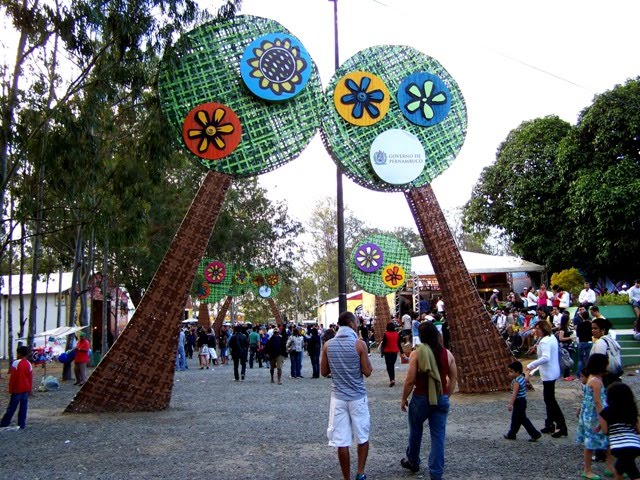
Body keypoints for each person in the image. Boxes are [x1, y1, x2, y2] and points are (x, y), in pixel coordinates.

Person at [400, 321, 458, 478]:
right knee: (438, 436)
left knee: (416, 430)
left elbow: (410, 380)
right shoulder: (448, 354)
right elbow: (453, 378)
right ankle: (436, 473)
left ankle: (413, 461)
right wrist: (446, 395)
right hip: (441, 398)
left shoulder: (417, 353)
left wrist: (404, 398)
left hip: (421, 397)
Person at [321, 311, 373, 480]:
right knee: (362, 436)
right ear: (351, 324)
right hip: (357, 396)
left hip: (338, 397)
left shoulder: (328, 345)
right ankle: (360, 473)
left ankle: (346, 478)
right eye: (356, 322)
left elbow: (323, 372)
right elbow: (367, 372)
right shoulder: (359, 345)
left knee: (341, 441)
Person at [525, 320, 567, 438]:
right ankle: (549, 424)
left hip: (548, 373)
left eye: (538, 328)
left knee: (550, 401)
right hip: (553, 371)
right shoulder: (551, 338)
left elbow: (545, 357)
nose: (536, 331)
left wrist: (530, 365)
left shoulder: (545, 341)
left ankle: (561, 425)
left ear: (543, 329)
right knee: (549, 400)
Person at [577, 354, 615, 479]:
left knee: (608, 440)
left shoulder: (592, 378)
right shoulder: (596, 381)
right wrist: (602, 418)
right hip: (594, 416)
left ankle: (610, 467)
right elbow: (597, 401)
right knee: (590, 443)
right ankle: (587, 470)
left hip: (591, 414)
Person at [599, 382, 640, 480]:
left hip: (618, 447)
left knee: (633, 473)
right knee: (619, 471)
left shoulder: (605, 412)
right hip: (634, 445)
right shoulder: (632, 410)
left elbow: (605, 431)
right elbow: (639, 430)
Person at [503, 361, 541, 442]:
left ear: (517, 372)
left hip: (518, 402)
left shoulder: (516, 382)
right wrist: (528, 371)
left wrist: (510, 404)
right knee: (517, 418)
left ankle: (535, 434)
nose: (509, 374)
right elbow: (527, 378)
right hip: (523, 401)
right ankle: (512, 434)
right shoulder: (522, 378)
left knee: (522, 419)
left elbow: (514, 394)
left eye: (511, 372)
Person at [0, 346, 33, 431]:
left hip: (17, 389)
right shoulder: (29, 364)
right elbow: (30, 378)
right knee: (23, 407)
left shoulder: (16, 363)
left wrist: (10, 389)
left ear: (18, 353)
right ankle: (21, 424)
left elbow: (13, 378)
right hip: (25, 389)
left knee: (11, 408)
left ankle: (4, 423)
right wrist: (29, 390)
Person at [590, 317, 623, 387]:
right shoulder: (611, 340)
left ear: (603, 330)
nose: (592, 330)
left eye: (595, 328)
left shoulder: (600, 343)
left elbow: (598, 363)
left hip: (604, 379)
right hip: (615, 377)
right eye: (592, 328)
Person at [380, 321, 402, 387]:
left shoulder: (386, 334)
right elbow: (399, 344)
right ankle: (393, 379)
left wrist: (382, 351)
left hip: (387, 351)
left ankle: (392, 379)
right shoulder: (397, 334)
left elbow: (384, 343)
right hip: (395, 352)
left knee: (389, 366)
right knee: (392, 365)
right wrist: (402, 352)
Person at [576, 310, 594, 376]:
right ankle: (588, 373)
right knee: (588, 359)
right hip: (589, 342)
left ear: (582, 317)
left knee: (580, 359)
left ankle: (579, 374)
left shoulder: (579, 325)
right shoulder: (591, 324)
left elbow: (577, 334)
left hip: (581, 342)